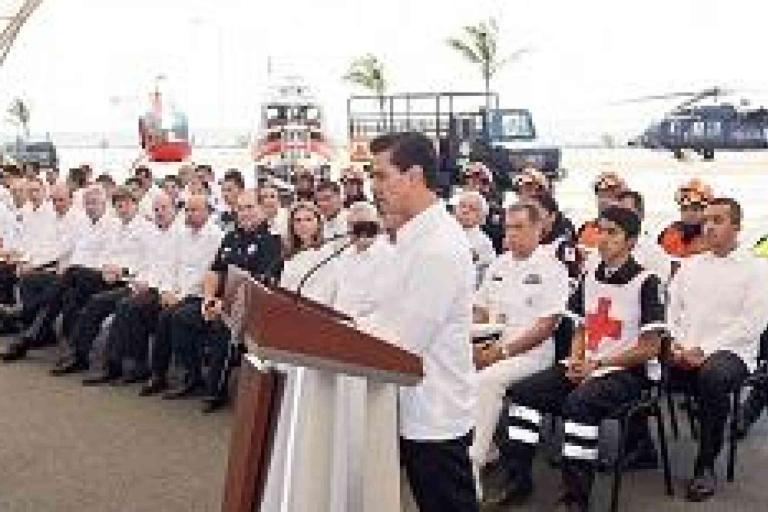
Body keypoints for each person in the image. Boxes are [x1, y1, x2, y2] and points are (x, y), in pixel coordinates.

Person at [494, 206, 665, 511]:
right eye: (600, 230)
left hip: (626, 372)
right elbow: (580, 327)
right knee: (523, 394)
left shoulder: (647, 282)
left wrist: (596, 365)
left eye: (612, 232)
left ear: (631, 241)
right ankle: (517, 478)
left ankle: (575, 497)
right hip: (587, 364)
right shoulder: (590, 276)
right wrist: (576, 360)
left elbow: (650, 347)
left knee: (579, 405)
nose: (602, 238)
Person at [368, 132, 478, 512]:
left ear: (414, 176)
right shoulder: (410, 238)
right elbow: (386, 315)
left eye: (381, 176)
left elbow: (404, 343)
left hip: (434, 413)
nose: (374, 186)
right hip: (408, 403)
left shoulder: (439, 248)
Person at [667, 197, 768, 501]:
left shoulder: (757, 270)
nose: (708, 226)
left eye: (718, 220)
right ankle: (637, 445)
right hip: (686, 346)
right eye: (706, 220)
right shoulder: (690, 266)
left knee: (712, 376)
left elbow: (751, 324)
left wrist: (703, 349)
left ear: (736, 227)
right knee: (642, 357)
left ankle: (705, 464)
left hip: (732, 353)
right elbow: (673, 308)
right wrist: (676, 341)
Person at [470, 203, 569, 498]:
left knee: (487, 382)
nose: (510, 234)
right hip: (491, 345)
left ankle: (471, 465)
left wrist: (501, 353)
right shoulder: (499, 264)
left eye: (519, 228)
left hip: (531, 354)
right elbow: (479, 308)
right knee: (448, 370)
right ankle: (486, 450)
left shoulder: (552, 268)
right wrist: (476, 343)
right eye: (508, 228)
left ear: (539, 229)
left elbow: (546, 325)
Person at [50, 186, 155, 375]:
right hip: (108, 275)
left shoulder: (146, 229)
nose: (122, 210)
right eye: (118, 206)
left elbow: (148, 261)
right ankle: (77, 355)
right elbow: (107, 253)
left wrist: (123, 270)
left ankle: (77, 353)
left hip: (129, 280)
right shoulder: (116, 226)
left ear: (135, 204)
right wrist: (106, 267)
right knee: (72, 296)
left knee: (77, 279)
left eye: (125, 205)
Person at [81, 192, 179, 385]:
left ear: (174, 209)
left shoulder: (179, 234)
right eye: (156, 209)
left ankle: (131, 366)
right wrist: (139, 280)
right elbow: (146, 263)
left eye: (164, 208)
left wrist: (150, 284)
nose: (160, 213)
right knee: (100, 301)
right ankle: (108, 363)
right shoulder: (155, 233)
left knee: (127, 306)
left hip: (164, 289)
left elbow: (175, 270)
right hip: (141, 282)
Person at [658, 178, 713, 259]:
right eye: (685, 209)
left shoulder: (714, 237)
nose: (689, 214)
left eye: (695, 209)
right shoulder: (669, 235)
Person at [454, 190, 496, 288]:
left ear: (481, 217)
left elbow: (486, 278)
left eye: (472, 209)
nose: (465, 211)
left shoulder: (484, 244)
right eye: (462, 206)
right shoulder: (442, 231)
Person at [576, 172, 626, 252]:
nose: (604, 199)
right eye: (600, 192)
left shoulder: (627, 234)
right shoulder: (588, 228)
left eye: (610, 191)